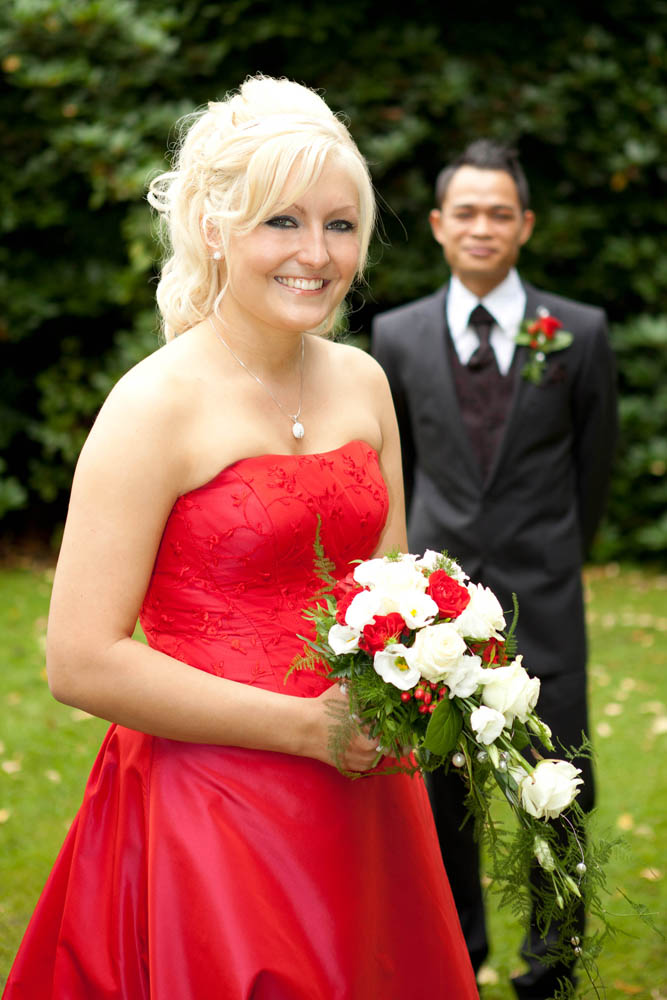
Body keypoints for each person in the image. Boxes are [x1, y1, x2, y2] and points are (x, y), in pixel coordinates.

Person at [2, 76, 479, 999]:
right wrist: (304, 728)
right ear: (214, 230)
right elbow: (80, 660)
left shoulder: (361, 384)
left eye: (340, 225)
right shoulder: (151, 406)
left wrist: (438, 680)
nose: (316, 254)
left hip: (365, 801)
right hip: (208, 807)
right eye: (281, 223)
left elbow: (391, 600)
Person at [371, 140, 617, 999]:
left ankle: (548, 965)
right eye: (464, 212)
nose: (482, 226)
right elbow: (395, 470)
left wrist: (552, 553)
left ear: (524, 225)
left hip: (544, 596)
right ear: (438, 226)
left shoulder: (577, 332)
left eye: (499, 212)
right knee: (439, 793)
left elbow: (593, 466)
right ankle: (454, 954)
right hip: (433, 617)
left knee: (558, 787)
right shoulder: (394, 336)